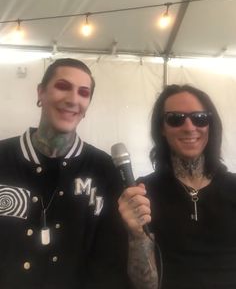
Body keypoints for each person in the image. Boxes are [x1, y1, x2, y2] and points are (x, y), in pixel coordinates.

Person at [0, 58, 130, 289]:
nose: (72, 100)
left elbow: (111, 259)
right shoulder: (3, 157)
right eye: (62, 86)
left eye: (83, 93)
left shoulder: (104, 169)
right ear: (41, 92)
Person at [118, 84, 236, 289]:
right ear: (162, 128)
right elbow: (144, 284)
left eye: (200, 118)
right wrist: (136, 235)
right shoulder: (143, 192)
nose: (189, 127)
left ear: (210, 125)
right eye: (176, 119)